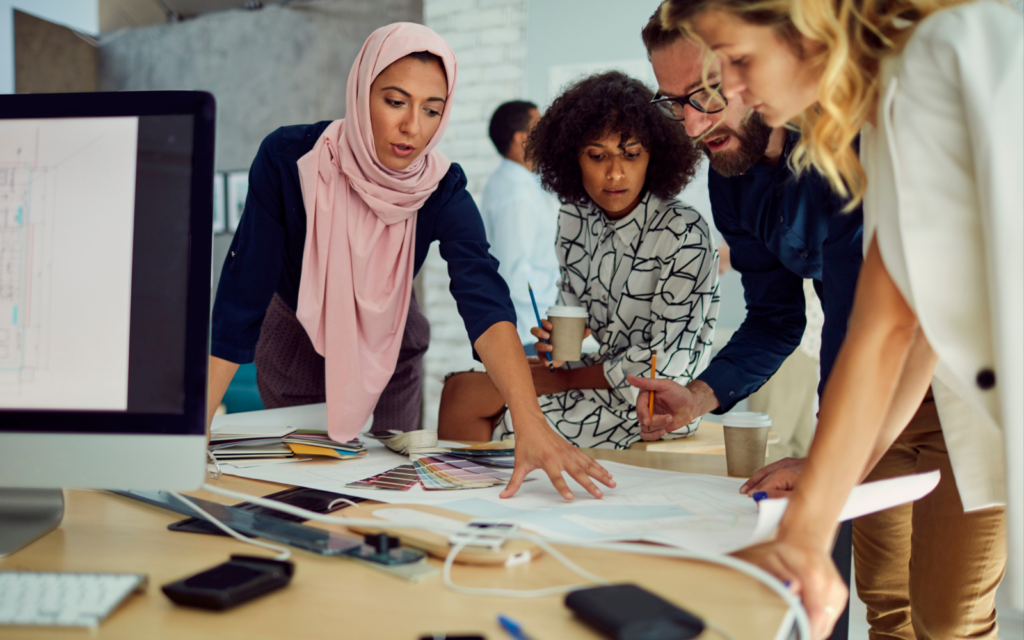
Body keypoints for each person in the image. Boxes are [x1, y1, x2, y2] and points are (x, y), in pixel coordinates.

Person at [660, 1, 1021, 638]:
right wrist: (816, 501)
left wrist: (818, 494)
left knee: (949, 620)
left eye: (734, 68)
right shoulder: (873, 117)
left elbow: (889, 328)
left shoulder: (933, 63)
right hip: (882, 384)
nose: (719, 103)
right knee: (888, 606)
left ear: (804, 26)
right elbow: (888, 324)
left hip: (964, 390)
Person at [208, 23, 615, 501]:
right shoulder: (289, 158)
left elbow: (482, 294)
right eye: (395, 102)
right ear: (362, 93)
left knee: (384, 493)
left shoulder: (440, 185)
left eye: (432, 110)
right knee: (311, 495)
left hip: (392, 347)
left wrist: (530, 423)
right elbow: (243, 293)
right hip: (299, 343)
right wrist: (196, 428)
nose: (413, 128)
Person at [438, 71, 717, 450]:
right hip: (592, 375)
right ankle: (461, 498)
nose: (615, 172)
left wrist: (566, 379)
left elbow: (666, 365)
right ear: (573, 157)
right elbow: (572, 314)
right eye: (597, 156)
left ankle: (491, 499)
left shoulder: (684, 231)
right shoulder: (574, 216)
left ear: (655, 156)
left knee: (508, 420)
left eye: (631, 155)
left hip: (653, 402)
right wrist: (556, 346)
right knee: (461, 389)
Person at [633, 8, 862, 465]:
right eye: (675, 103)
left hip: (949, 378)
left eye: (708, 93)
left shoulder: (849, 144)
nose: (693, 127)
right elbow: (775, 317)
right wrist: (698, 396)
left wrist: (828, 454)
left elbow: (861, 314)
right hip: (870, 392)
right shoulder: (732, 178)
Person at [479, 101, 560, 354]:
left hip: (531, 328)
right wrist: (562, 289)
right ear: (521, 139)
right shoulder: (516, 193)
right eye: (540, 126)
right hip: (529, 331)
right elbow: (515, 275)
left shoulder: (517, 182)